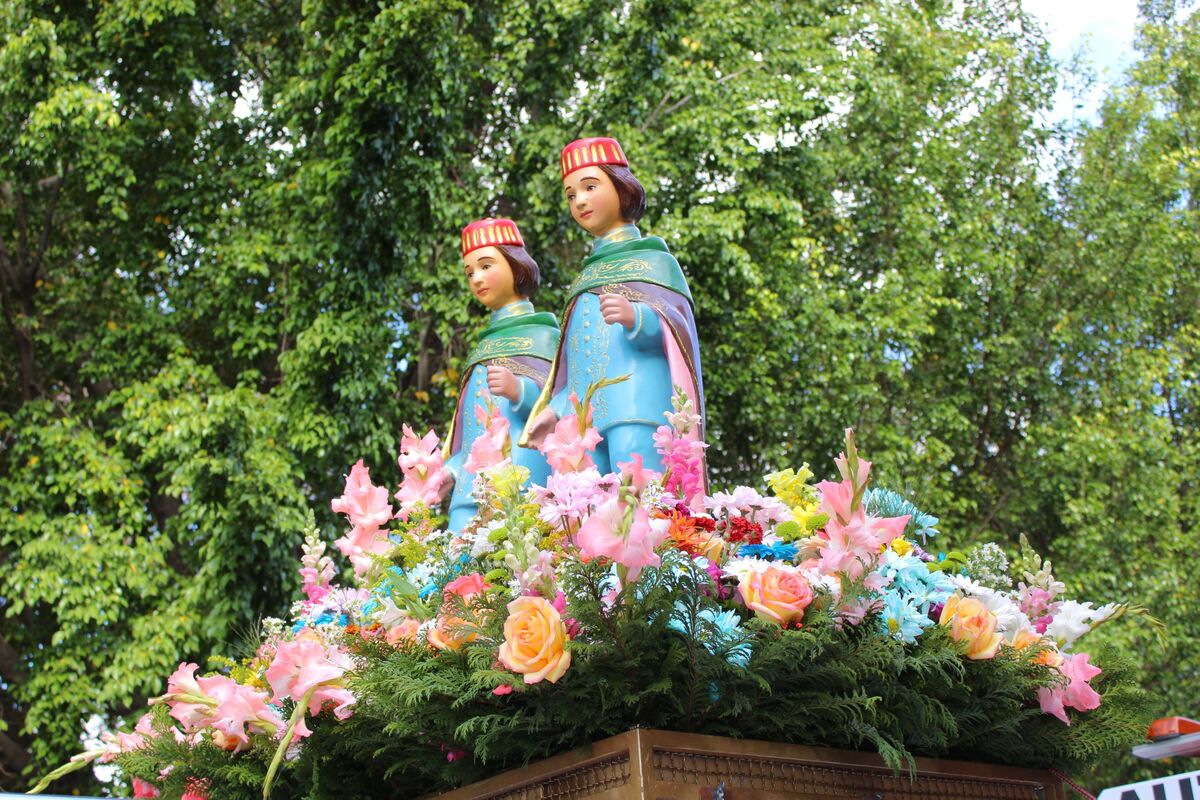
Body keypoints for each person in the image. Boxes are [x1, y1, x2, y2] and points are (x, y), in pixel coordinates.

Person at [521, 137, 704, 475]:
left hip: (638, 405)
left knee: (642, 500)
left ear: (622, 188)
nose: (580, 201)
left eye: (590, 186)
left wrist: (638, 318)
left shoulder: (652, 260)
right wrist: (556, 408)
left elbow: (678, 329)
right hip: (586, 422)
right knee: (592, 511)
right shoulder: (585, 278)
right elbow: (576, 365)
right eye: (572, 194)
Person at [442, 218, 559, 532]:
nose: (477, 278)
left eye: (486, 266)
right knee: (456, 568)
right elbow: (467, 432)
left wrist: (519, 392)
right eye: (470, 273)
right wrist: (450, 470)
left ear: (515, 264)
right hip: (471, 487)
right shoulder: (482, 348)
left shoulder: (542, 334)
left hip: (519, 475)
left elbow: (560, 400)